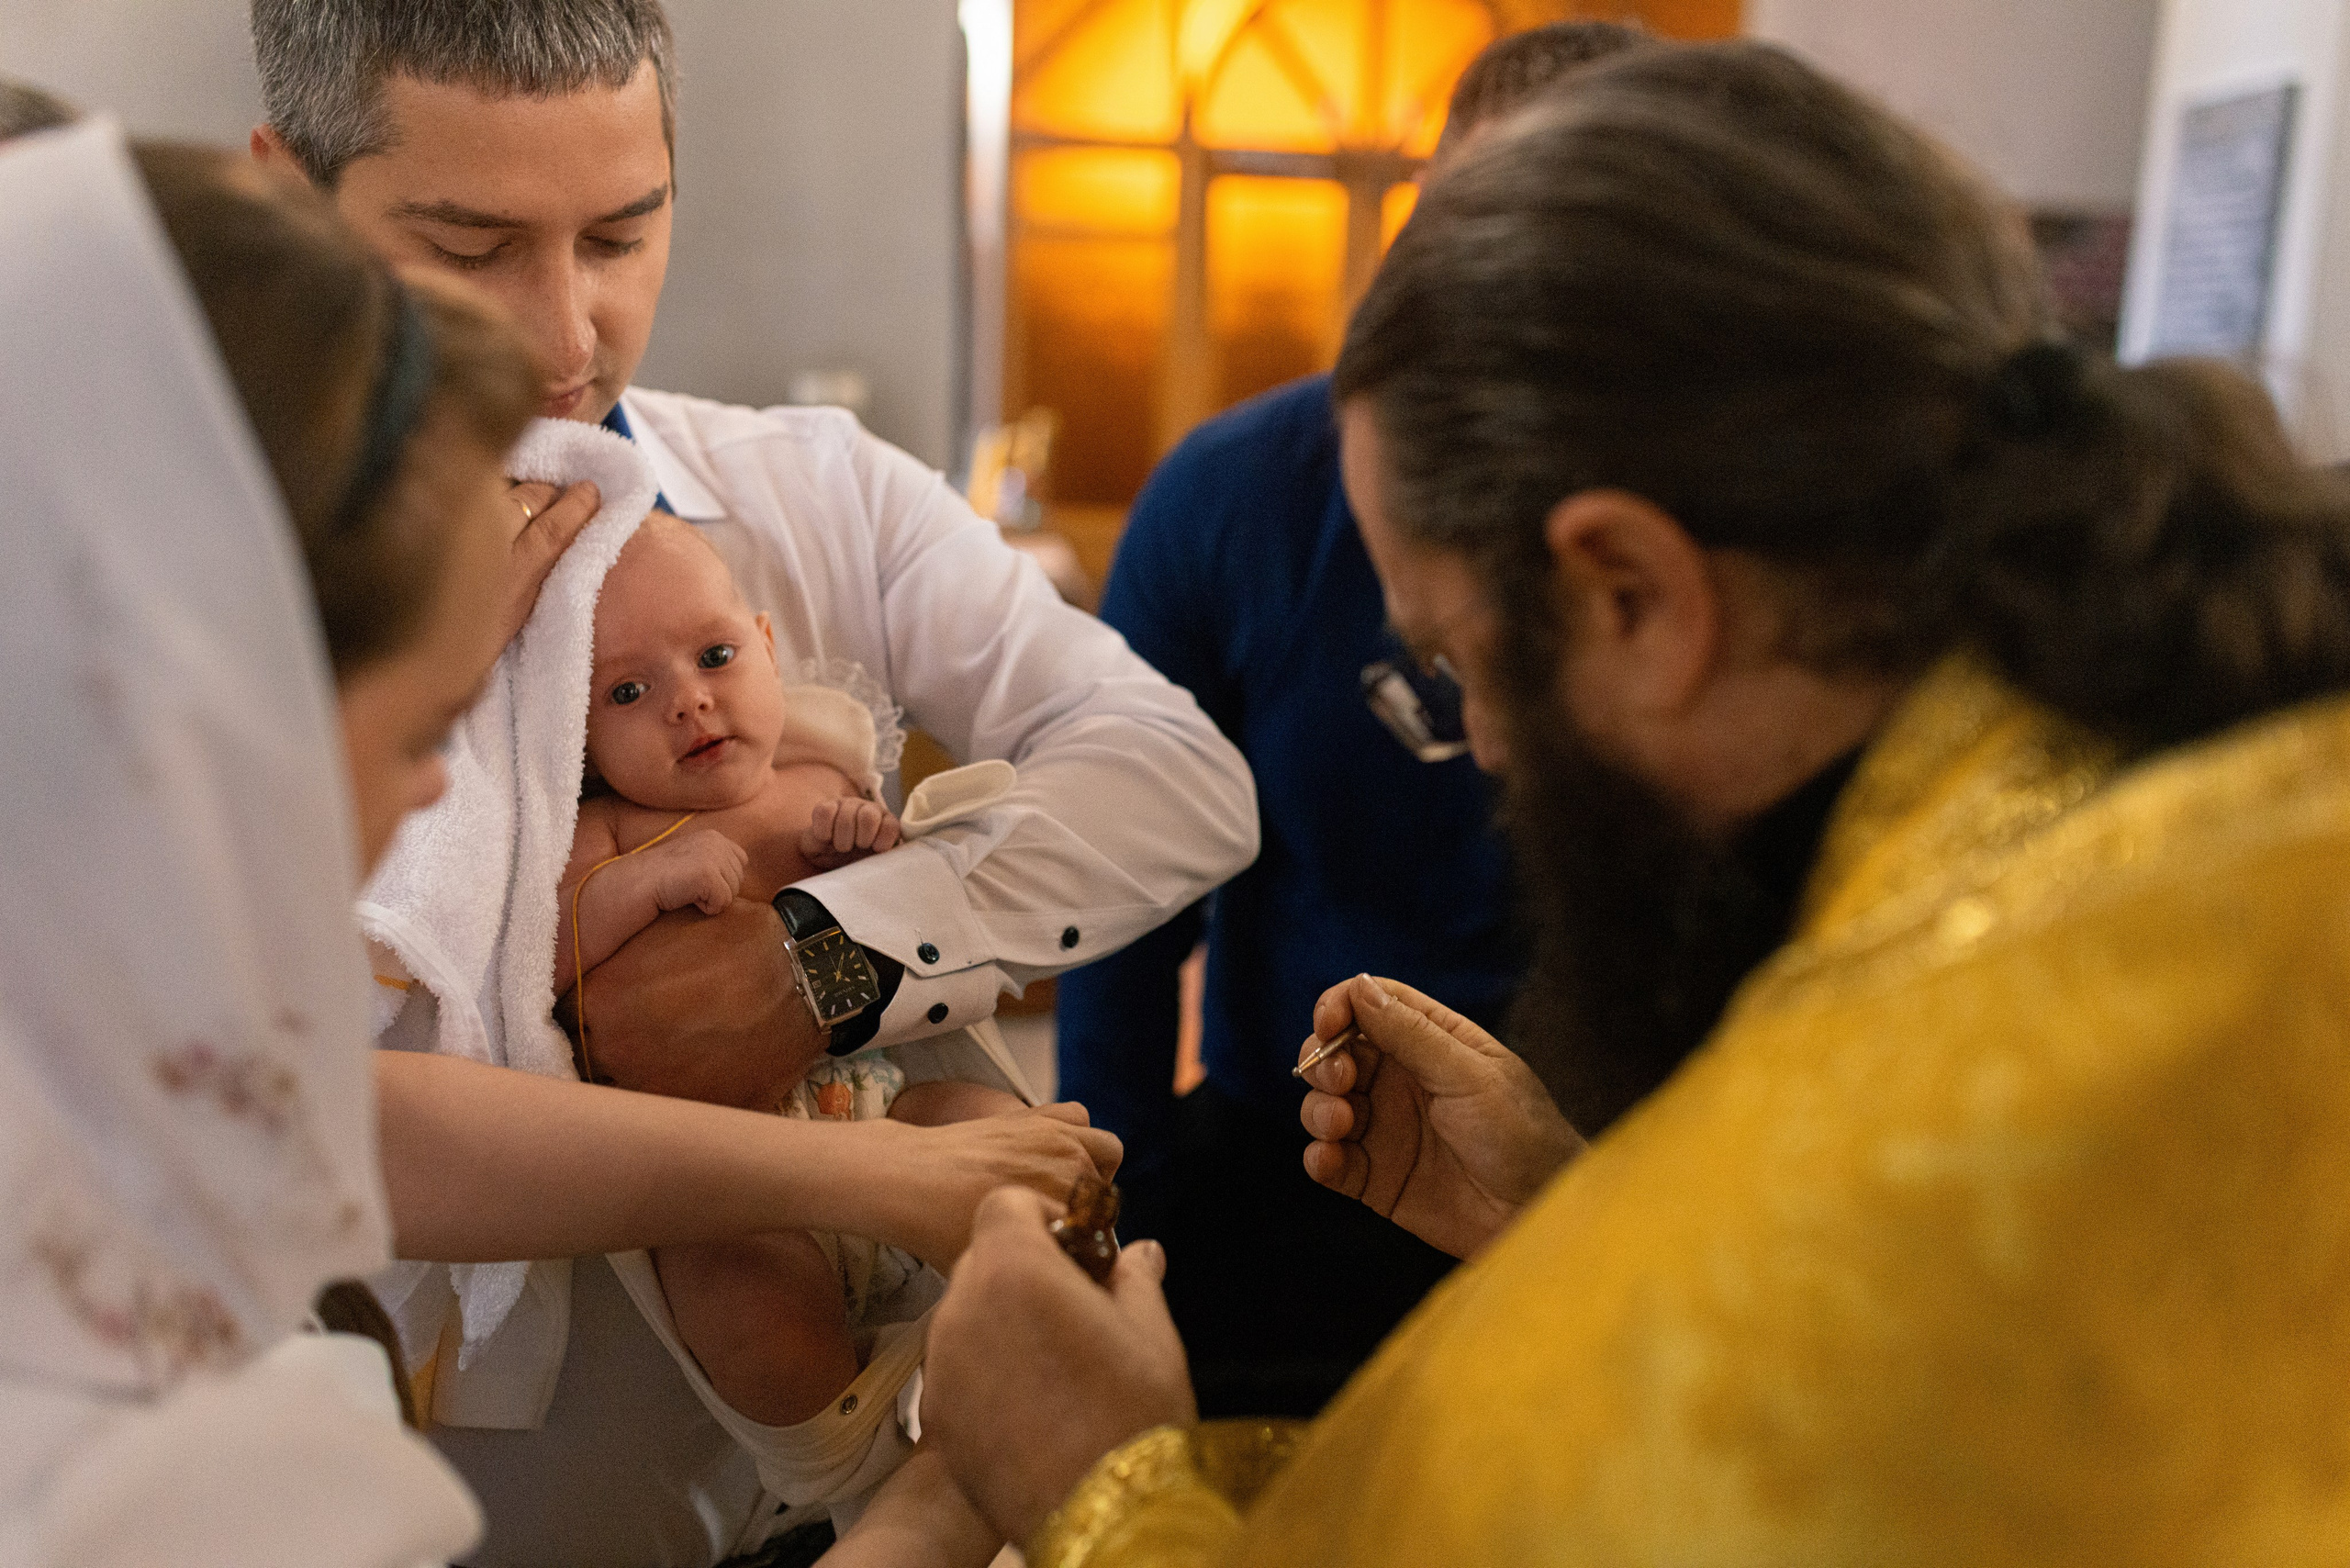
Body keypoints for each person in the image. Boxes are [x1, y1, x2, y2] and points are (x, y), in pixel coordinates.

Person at [920, 40, 2350, 1563]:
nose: (1482, 751)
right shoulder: (2206, 797)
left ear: (1635, 594)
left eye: (1461, 659)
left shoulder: (1857, 1142)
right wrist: (1578, 1207)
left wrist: (1106, 1494)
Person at [0, 123, 1111, 1565]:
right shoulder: (139, 1449)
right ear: (201, 702)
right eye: (426, 730)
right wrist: (970, 1478)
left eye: (618, 235)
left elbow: (345, 1114)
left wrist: (877, 1171)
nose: (431, 798)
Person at [244, 4, 1254, 1560]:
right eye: (470, 248)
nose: (567, 340)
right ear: (288, 198)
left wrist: (823, 961)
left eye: (621, 236)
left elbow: (1180, 780)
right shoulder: (188, 585)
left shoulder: (815, 496)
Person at [1053, 18, 1651, 1419]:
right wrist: (1109, 1217)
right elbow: (1125, 901)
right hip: (1299, 1144)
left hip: (1615, 1164)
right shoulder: (1234, 494)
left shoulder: (1705, 553)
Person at [560, 511, 1022, 1439]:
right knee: (747, 1311)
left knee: (1004, 1141)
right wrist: (638, 883)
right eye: (628, 691)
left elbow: (909, 916)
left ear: (768, 647)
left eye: (716, 655)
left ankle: (1011, 1368)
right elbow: (549, 954)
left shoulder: (820, 780)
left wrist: (870, 847)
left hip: (879, 1102)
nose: (688, 702)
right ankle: (846, 1459)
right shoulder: (606, 830)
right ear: (577, 733)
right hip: (735, 1170)